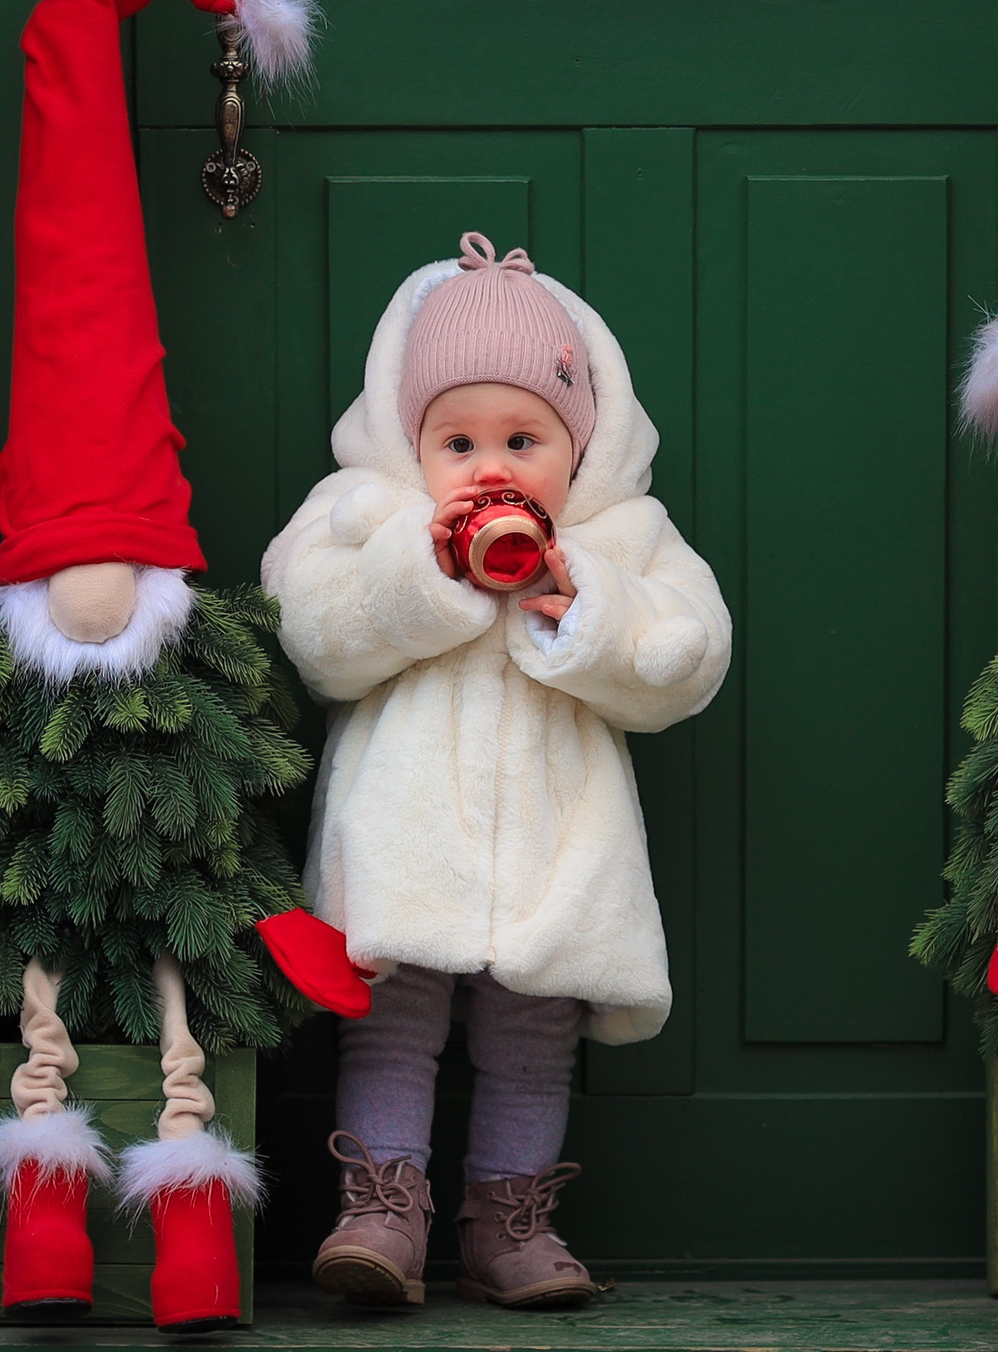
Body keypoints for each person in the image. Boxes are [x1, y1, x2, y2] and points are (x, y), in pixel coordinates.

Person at [262, 232, 731, 1310]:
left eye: (524, 438)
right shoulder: (363, 515)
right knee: (389, 1020)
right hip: (403, 832)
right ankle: (382, 1205)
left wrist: (592, 613)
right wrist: (418, 582)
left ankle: (508, 1217)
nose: (492, 468)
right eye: (458, 440)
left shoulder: (622, 535)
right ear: (407, 442)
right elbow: (312, 631)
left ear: (582, 446)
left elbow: (687, 654)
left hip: (556, 845)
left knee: (534, 1032)